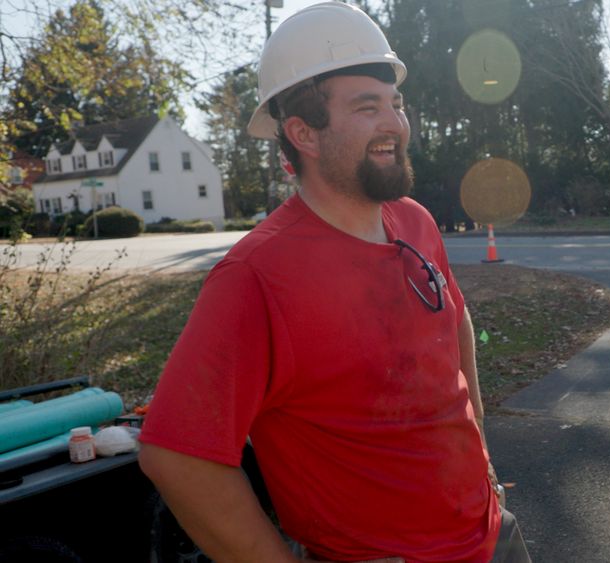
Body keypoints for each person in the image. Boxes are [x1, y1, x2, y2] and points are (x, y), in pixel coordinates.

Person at [137, 2, 530, 561]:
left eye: (396, 104)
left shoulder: (414, 220)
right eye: (367, 107)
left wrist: (482, 446)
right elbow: (177, 456)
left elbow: (455, 319)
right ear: (304, 132)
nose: (395, 123)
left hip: (492, 532)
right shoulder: (255, 276)